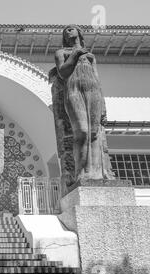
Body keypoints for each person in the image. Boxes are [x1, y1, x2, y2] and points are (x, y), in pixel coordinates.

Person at [54, 25, 114, 181]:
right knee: (82, 131)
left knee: (94, 132)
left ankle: (98, 173)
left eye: (71, 29)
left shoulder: (91, 56)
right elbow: (63, 72)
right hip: (74, 91)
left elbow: (97, 79)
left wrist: (103, 104)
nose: (68, 31)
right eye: (65, 31)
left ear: (79, 33)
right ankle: (81, 172)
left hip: (93, 91)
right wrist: (74, 55)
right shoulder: (62, 53)